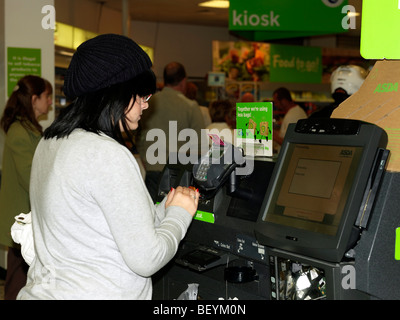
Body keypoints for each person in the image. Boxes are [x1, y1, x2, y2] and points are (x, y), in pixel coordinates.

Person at [17, 34, 199, 300]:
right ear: (117, 93)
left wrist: (166, 209)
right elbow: (147, 258)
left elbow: (96, 225)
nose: (146, 104)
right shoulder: (105, 153)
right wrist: (179, 217)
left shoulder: (50, 142)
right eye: (142, 95)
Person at [0, 75, 52, 300]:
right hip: (21, 223)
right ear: (34, 99)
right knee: (18, 285)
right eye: (47, 96)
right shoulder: (20, 132)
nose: (50, 102)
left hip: (26, 220)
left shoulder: (28, 129)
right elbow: (31, 177)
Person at [137, 62, 205, 201]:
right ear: (184, 81)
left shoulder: (147, 104)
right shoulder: (190, 106)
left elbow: (139, 135)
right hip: (178, 174)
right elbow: (200, 146)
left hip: (152, 170)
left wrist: (146, 160)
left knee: (152, 218)